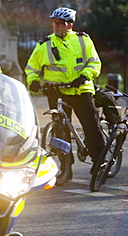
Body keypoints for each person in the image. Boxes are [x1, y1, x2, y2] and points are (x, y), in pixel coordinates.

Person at [24, 7, 105, 177]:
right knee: (60, 132)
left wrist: (84, 76)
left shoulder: (83, 41)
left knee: (91, 127)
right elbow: (31, 67)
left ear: (69, 25)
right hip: (56, 92)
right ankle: (65, 168)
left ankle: (100, 164)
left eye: (60, 24)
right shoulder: (44, 45)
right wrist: (33, 81)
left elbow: (95, 63)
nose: (55, 26)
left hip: (81, 90)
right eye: (54, 22)